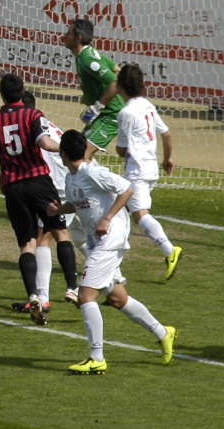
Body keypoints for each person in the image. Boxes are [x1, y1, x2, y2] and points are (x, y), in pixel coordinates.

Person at [56, 129, 177, 374]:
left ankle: (96, 357)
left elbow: (127, 189)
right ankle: (163, 332)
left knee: (86, 297)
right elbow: (83, 203)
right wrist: (59, 208)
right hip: (97, 242)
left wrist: (107, 218)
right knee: (117, 298)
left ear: (63, 153)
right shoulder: (71, 179)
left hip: (110, 238)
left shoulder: (93, 172)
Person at [0, 72, 79, 326]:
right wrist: (71, 148)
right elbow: (44, 142)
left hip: (13, 188)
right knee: (60, 233)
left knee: (28, 244)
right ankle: (71, 286)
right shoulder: (33, 115)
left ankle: (34, 294)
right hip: (41, 182)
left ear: (1, 94)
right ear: (22, 92)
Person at [114, 64, 183, 279]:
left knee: (140, 215)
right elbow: (167, 134)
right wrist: (168, 158)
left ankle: (169, 250)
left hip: (137, 171)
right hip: (152, 168)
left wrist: (120, 148)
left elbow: (121, 149)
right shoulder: (147, 105)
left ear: (120, 86)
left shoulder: (125, 112)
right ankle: (115, 268)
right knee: (122, 213)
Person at [59, 18, 124, 155]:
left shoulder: (87, 59)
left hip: (111, 114)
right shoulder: (87, 54)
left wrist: (97, 106)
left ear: (78, 37)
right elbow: (117, 69)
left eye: (69, 33)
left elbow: (116, 82)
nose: (65, 35)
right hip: (104, 113)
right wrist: (89, 96)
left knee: (81, 156)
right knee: (79, 154)